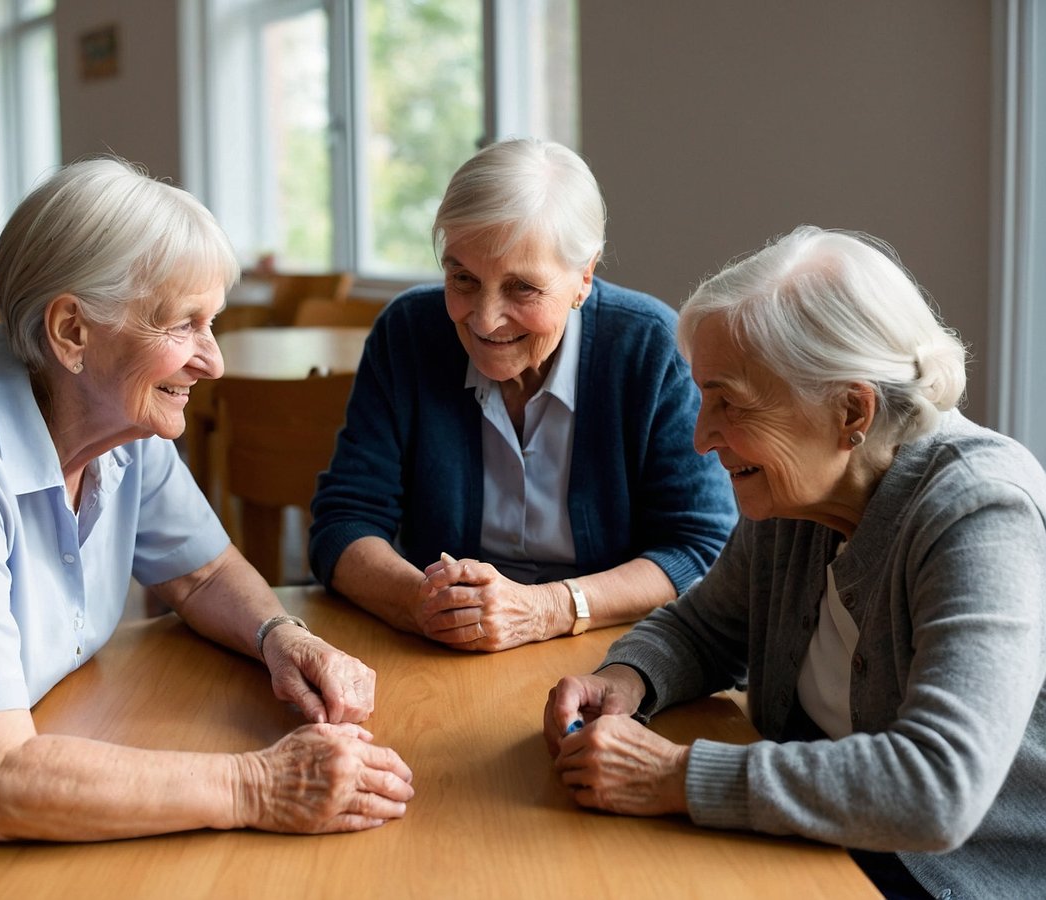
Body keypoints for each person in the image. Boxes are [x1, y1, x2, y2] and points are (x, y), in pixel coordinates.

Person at [0, 158, 413, 898]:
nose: (211, 360)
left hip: (43, 752)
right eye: (184, 325)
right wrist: (259, 786)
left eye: (212, 324)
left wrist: (283, 636)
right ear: (72, 330)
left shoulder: (114, 415)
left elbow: (201, 571)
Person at [543, 225, 1046, 898]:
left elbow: (936, 788)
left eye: (730, 403)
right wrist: (629, 678)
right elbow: (704, 628)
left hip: (943, 878)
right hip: (812, 841)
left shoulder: (981, 510)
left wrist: (675, 776)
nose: (701, 438)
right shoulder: (795, 497)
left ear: (850, 410)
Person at [309, 138, 737, 652]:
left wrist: (549, 608)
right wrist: (418, 603)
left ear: (584, 277)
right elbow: (344, 522)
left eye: (522, 289)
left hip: (613, 650)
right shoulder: (408, 333)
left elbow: (700, 550)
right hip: (440, 649)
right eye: (463, 278)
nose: (485, 319)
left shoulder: (650, 349)